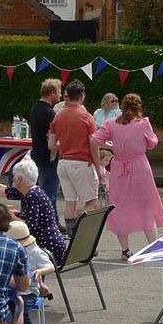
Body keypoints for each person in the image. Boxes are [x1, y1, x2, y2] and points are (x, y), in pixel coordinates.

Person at [91, 93, 163, 259]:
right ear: (138, 107)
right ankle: (153, 247)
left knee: (119, 206)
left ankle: (125, 250)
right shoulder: (143, 123)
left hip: (119, 167)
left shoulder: (111, 123)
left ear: (123, 107)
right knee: (146, 204)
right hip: (140, 166)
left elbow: (93, 140)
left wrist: (110, 145)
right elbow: (152, 144)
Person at [0, 160, 67, 266]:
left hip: (46, 250)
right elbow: (3, 191)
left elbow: (29, 226)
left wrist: (12, 217)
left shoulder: (31, 196)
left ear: (19, 179)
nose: (12, 178)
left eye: (14, 176)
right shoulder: (34, 191)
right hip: (55, 246)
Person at [49, 80, 100, 226]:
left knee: (70, 201)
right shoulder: (87, 117)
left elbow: (52, 145)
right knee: (92, 201)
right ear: (82, 96)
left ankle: (71, 235)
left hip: (63, 163)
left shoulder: (57, 116)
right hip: (81, 162)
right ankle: (80, 228)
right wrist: (98, 169)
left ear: (67, 96)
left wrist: (65, 144)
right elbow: (93, 144)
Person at [29, 78, 62, 205]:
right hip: (49, 157)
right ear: (52, 93)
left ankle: (54, 221)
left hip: (39, 155)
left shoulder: (36, 107)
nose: (60, 95)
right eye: (59, 92)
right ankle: (48, 222)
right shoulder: (48, 112)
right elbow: (58, 133)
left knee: (48, 192)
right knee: (49, 194)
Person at [8, 220, 55, 296]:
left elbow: (51, 267)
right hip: (12, 284)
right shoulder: (9, 250)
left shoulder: (34, 251)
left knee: (27, 304)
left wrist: (40, 271)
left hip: (29, 289)